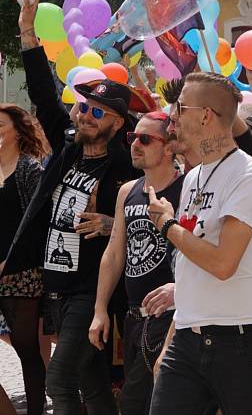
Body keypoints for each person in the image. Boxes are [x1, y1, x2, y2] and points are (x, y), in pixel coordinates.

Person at [11, 0, 146, 414]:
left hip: (93, 289)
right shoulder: (67, 149)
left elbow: (146, 210)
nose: (84, 116)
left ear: (118, 123)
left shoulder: (126, 166)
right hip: (57, 286)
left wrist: (111, 224)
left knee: (59, 379)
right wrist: (28, 35)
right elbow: (43, 96)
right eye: (83, 108)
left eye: (96, 112)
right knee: (92, 385)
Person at [147, 72, 252, 414]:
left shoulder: (250, 175)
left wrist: (167, 224)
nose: (172, 116)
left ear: (205, 115)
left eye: (180, 107)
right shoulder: (194, 176)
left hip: (241, 345)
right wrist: (171, 343)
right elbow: (194, 265)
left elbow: (223, 264)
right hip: (188, 340)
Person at [88, 112, 183, 414]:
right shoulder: (128, 191)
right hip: (132, 316)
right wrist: (100, 309)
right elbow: (115, 253)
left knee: (140, 402)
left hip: (169, 315)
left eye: (145, 139)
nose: (135, 145)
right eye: (132, 138)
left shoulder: (186, 189)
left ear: (169, 147)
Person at [0, 104, 48, 415]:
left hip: (22, 273)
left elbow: (38, 222)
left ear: (18, 131)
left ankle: (35, 409)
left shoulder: (30, 169)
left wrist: (9, 262)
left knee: (26, 349)